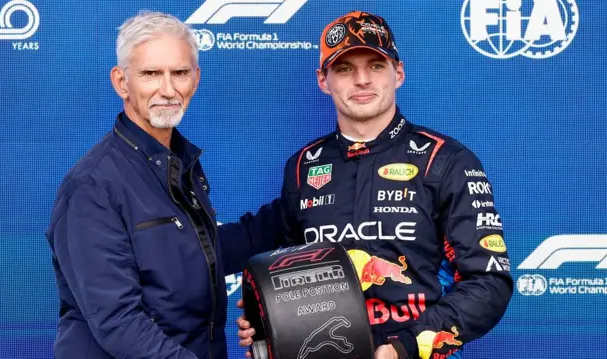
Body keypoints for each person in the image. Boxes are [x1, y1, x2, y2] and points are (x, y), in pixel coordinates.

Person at [232, 10, 513, 359]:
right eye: (345, 69)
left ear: (398, 73)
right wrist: (267, 323)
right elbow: (293, 277)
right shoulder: (304, 166)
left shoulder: (445, 161)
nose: (362, 80)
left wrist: (405, 346)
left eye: (376, 66)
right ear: (323, 80)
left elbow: (488, 283)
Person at [45, 11, 281, 359]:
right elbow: (119, 322)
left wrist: (298, 204)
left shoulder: (179, 164)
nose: (168, 89)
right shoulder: (92, 186)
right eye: (151, 74)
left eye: (180, 73)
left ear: (195, 79)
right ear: (122, 82)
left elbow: (201, 252)